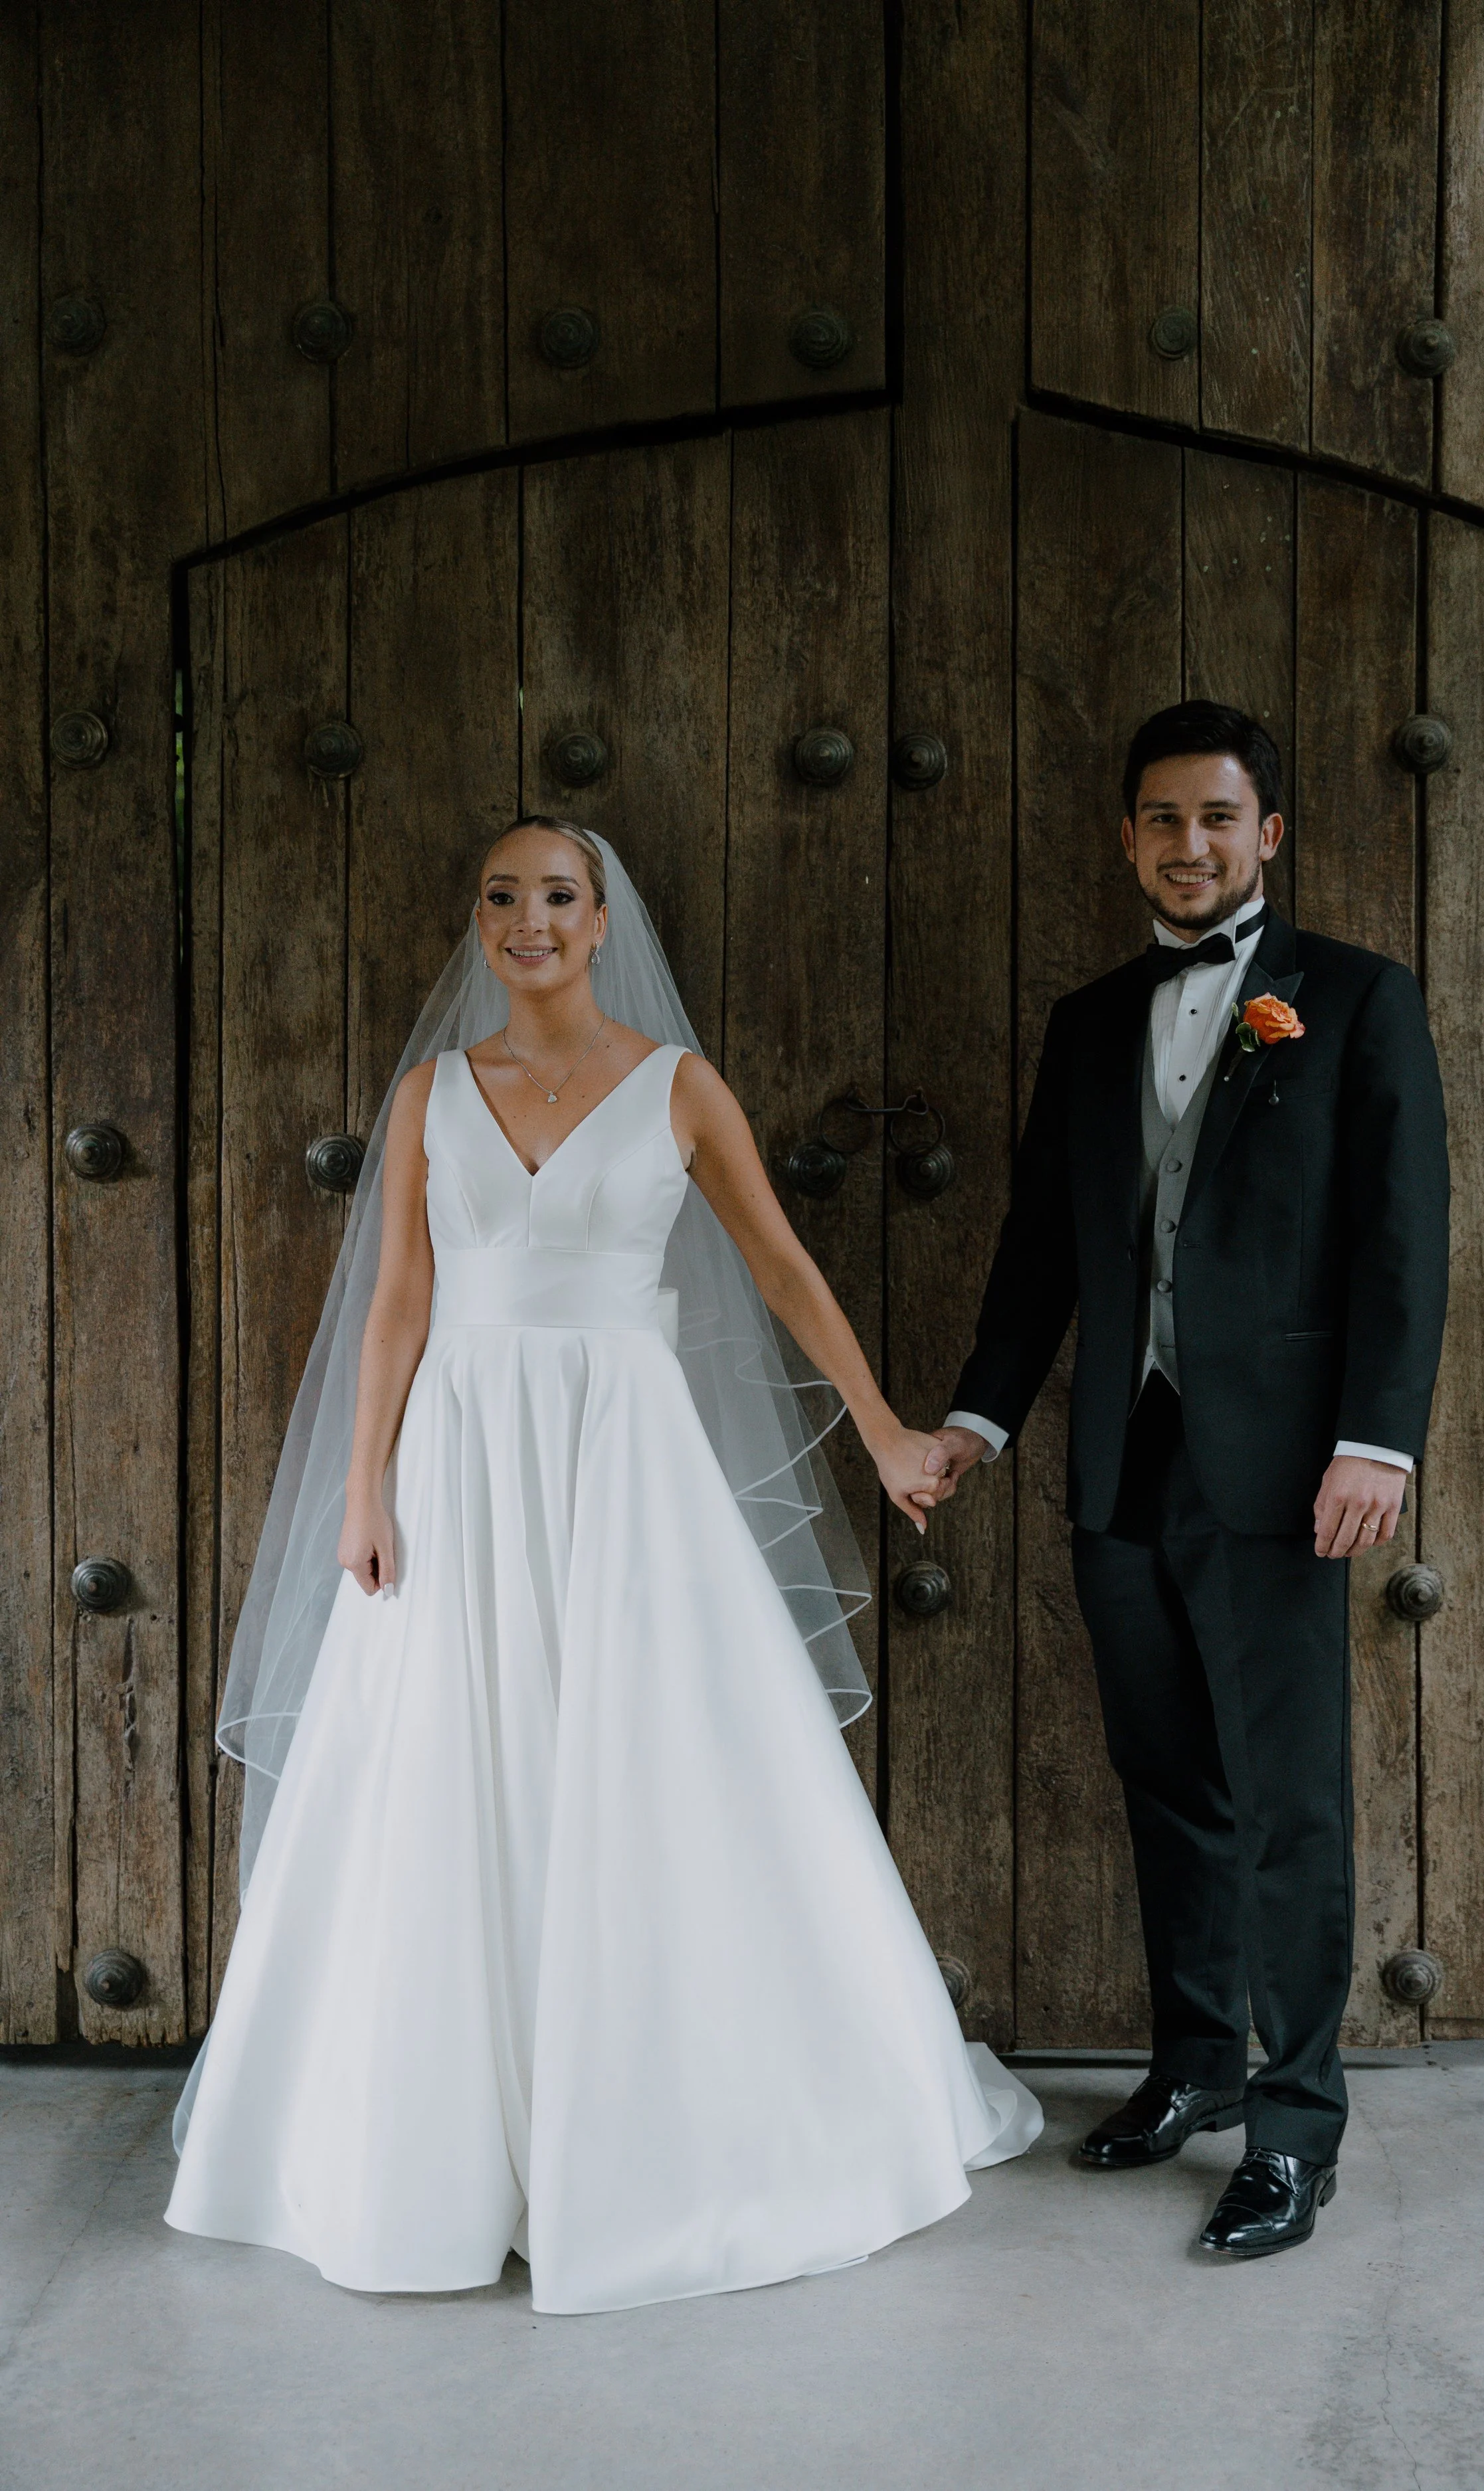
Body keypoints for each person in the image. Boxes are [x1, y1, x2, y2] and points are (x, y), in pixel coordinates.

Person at [167, 818, 1039, 2314]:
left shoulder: (679, 1087)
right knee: (455, 1774)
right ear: (481, 925)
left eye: (554, 897)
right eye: (500, 896)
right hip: (460, 1466)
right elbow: (394, 1309)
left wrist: (891, 1431)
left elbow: (779, 1268)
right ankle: (448, 2153)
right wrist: (362, 1489)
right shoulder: (433, 1093)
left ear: (597, 919)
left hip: (626, 1470)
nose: (527, 920)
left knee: (657, 1771)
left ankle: (668, 2144)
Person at [925, 701, 1448, 2259]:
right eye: (1159, 819)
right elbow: (1039, 1251)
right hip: (1118, 1461)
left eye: (1216, 818)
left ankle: (1293, 2131)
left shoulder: (1352, 1001)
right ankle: (1196, 2063)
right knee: (1168, 1789)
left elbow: (1398, 1237)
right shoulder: (1087, 1022)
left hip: (1286, 1469)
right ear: (1127, 837)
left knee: (1285, 1803)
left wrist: (1376, 1439)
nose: (1187, 845)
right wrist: (978, 1419)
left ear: (1265, 834)